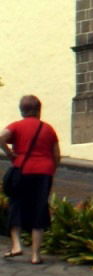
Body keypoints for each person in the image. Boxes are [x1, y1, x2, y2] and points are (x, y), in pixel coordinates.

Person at [0, 95, 61, 264]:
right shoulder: (48, 129)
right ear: (39, 110)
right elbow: (57, 154)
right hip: (44, 172)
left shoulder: (17, 126)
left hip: (23, 169)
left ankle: (17, 245)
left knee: (16, 205)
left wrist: (10, 154)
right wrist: (51, 169)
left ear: (22, 110)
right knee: (39, 208)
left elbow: (1, 137)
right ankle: (35, 255)